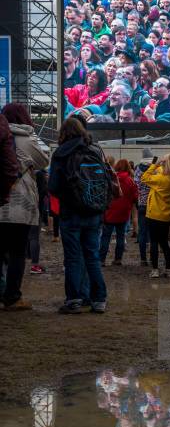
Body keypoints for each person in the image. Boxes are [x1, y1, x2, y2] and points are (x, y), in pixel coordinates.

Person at [48, 118, 108, 313]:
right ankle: (98, 299)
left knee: (73, 258)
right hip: (94, 211)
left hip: (71, 213)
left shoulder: (61, 153)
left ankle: (74, 299)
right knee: (92, 256)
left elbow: (54, 187)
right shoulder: (95, 150)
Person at [0, 105, 49, 310]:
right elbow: (44, 161)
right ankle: (13, 296)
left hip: (0, 201)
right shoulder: (28, 139)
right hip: (20, 203)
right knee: (17, 252)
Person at [141, 154, 170, 278]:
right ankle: (169, 269)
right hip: (166, 215)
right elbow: (162, 172)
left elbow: (144, 177)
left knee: (154, 241)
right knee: (164, 242)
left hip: (154, 214)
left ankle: (155, 269)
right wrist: (161, 165)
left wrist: (154, 164)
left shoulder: (160, 179)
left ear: (166, 164)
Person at [99, 159, 138, 266]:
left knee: (105, 236)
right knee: (121, 236)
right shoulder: (130, 181)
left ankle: (101, 259)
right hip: (124, 212)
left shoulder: (110, 179)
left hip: (110, 211)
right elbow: (135, 197)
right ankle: (118, 259)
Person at [134, 149, 154, 266]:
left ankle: (143, 259)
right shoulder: (155, 169)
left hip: (142, 203)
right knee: (153, 233)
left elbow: (136, 185)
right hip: (154, 204)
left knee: (142, 232)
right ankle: (152, 257)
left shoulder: (137, 169)